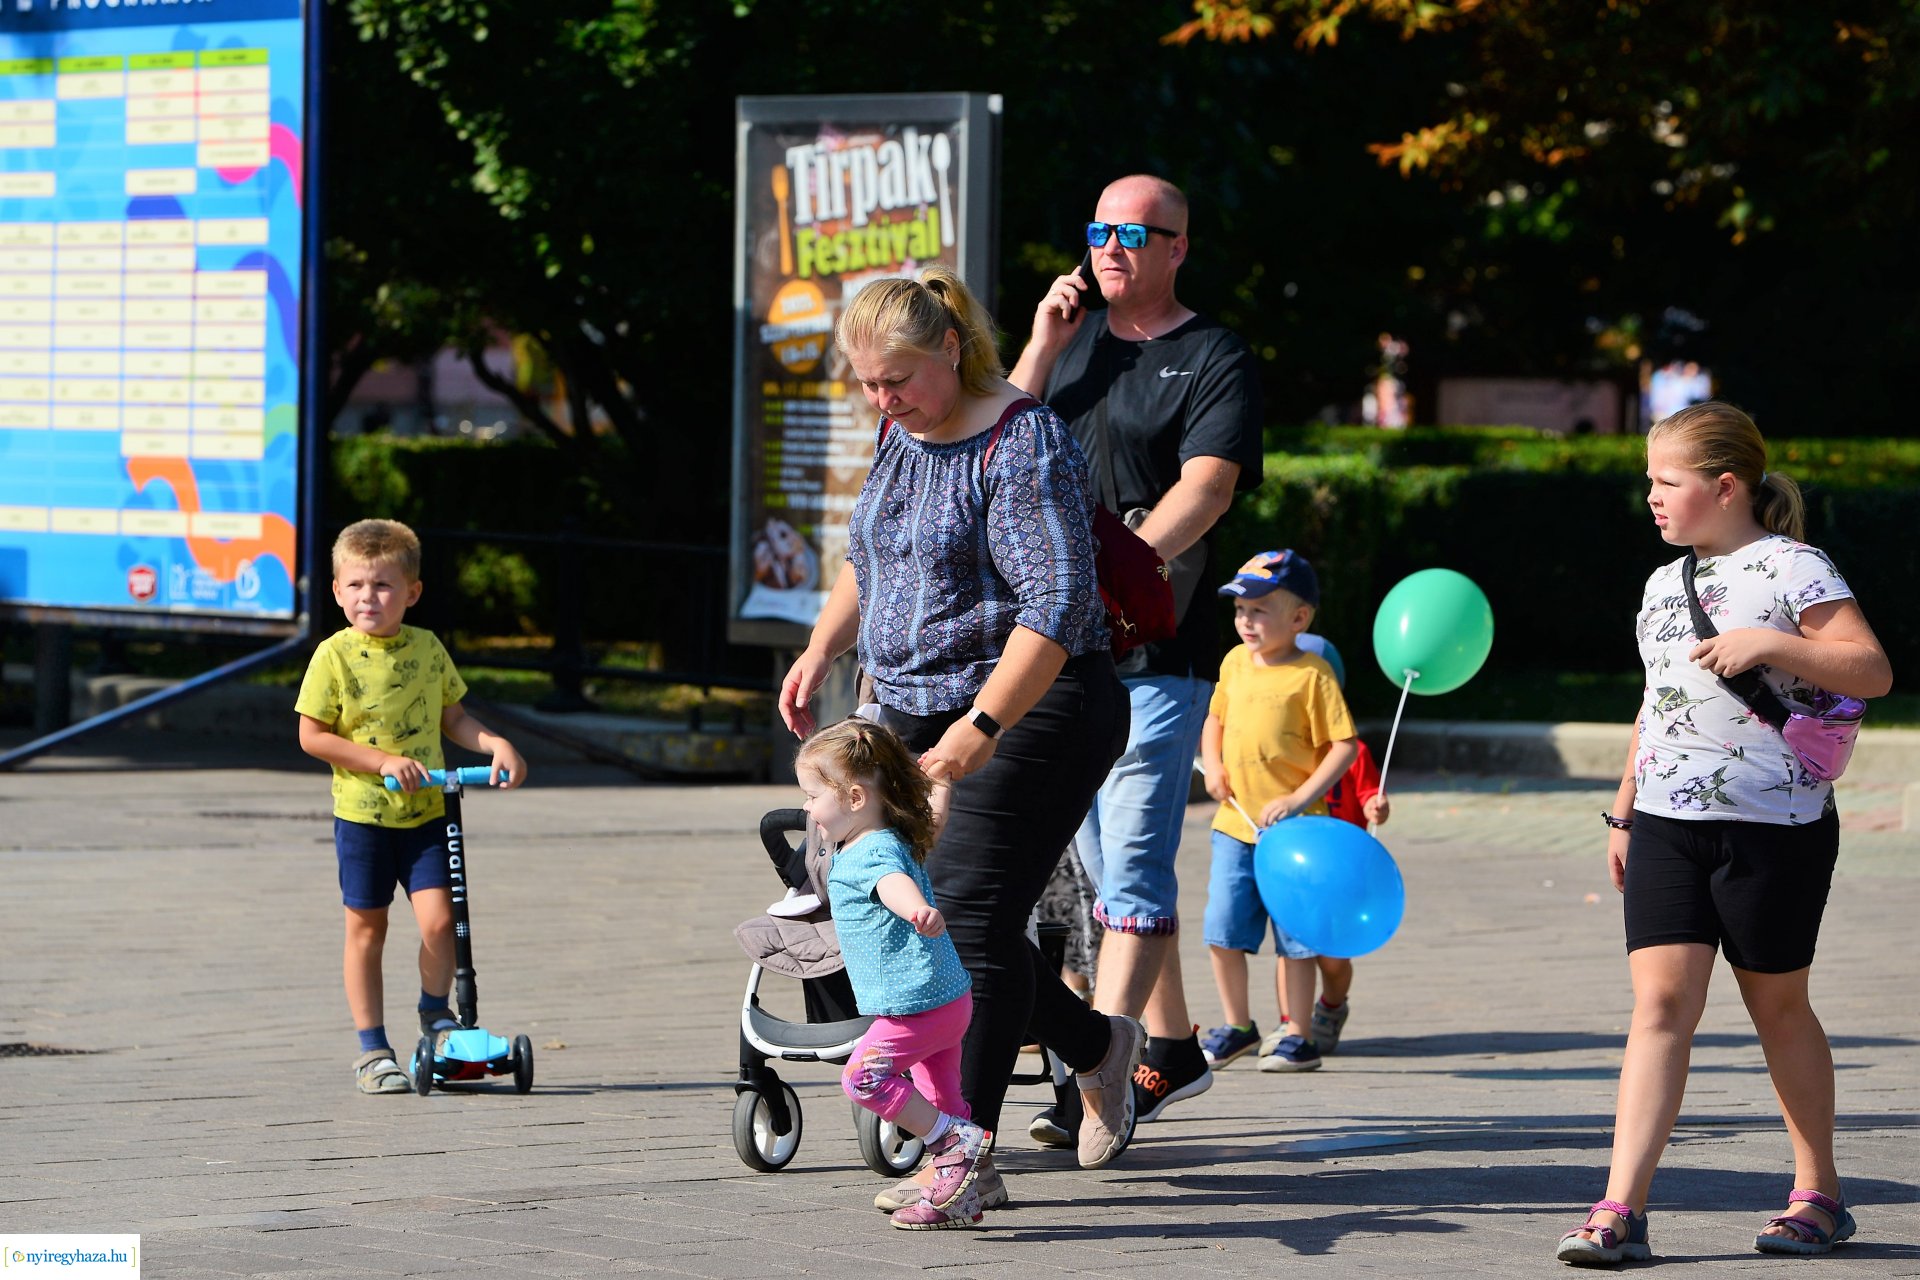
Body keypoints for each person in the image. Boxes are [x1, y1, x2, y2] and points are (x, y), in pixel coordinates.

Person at [778, 268, 1138, 1210]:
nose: (880, 400)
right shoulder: (903, 435)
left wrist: (982, 726)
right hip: (907, 704)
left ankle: (964, 1161)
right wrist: (822, 645)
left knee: (970, 917)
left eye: (895, 378)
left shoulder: (1025, 442)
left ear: (950, 347)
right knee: (916, 913)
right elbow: (871, 556)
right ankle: (1099, 1047)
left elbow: (1056, 606)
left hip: (1035, 704)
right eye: (865, 383)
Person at [1556, 402, 1891, 1266]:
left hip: (1774, 825)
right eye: (1649, 483)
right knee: (1660, 1008)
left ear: (1725, 486)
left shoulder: (1793, 567)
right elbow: (1656, 700)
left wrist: (1768, 642)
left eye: (1666, 482)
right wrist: (1625, 806)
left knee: (1777, 1006)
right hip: (1668, 823)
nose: (1653, 499)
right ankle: (1619, 1209)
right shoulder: (1661, 584)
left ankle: (1818, 1194)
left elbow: (1871, 668)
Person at [1009, 174, 1264, 1132]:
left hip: (1157, 646)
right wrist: (1041, 342)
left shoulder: (1213, 354)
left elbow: (1207, 491)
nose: (1111, 246)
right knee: (1097, 855)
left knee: (1132, 866)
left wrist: (1122, 573)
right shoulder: (1068, 348)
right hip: (1057, 648)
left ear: (1176, 248)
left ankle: (1097, 1079)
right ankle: (1169, 1049)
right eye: (1098, 230)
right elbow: (995, 441)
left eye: (1133, 232)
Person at [295, 519, 526, 1095]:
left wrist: (493, 743)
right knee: (367, 928)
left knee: (441, 920)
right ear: (336, 590)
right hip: (363, 817)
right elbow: (312, 735)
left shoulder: (427, 648)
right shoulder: (333, 656)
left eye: (382, 586)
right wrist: (379, 761)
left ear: (411, 592)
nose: (367, 598)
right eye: (354, 586)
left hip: (426, 815)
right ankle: (372, 1048)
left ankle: (436, 1017)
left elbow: (455, 719)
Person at [795, 717, 990, 1231]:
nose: (808, 809)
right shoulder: (894, 832)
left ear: (855, 798)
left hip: (916, 1006)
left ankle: (952, 1141)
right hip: (947, 999)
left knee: (862, 1077)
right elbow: (934, 820)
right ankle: (959, 1198)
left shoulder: (872, 851)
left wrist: (915, 909)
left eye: (813, 796)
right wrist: (942, 781)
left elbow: (893, 883)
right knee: (944, 1096)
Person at [1196, 551, 1359, 1074]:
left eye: (1261, 609)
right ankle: (1238, 1026)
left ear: (1299, 618)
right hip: (1233, 826)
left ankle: (1297, 1034)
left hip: (1297, 833)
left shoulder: (1313, 676)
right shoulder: (1233, 663)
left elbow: (1343, 746)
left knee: (1296, 935)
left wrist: (1296, 797)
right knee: (1222, 929)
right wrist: (1214, 766)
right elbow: (1214, 719)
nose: (1246, 619)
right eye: (1241, 608)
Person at [1244, 632, 1389, 1063]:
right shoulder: (1287, 751)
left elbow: (1367, 795)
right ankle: (1293, 1022)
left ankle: (1331, 1004)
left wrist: (1376, 805)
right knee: (1292, 944)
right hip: (1299, 866)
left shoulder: (1353, 750)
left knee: (1332, 956)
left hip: (1343, 870)